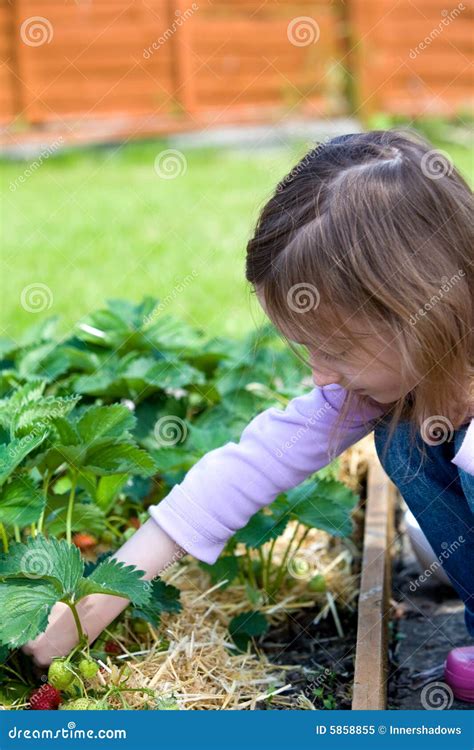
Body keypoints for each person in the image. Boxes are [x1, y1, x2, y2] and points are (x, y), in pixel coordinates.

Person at [23, 129, 474, 702]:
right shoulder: (389, 389)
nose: (319, 373)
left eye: (335, 349)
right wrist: (85, 610)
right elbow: (241, 473)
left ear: (419, 317)